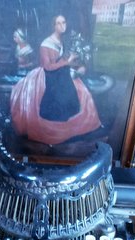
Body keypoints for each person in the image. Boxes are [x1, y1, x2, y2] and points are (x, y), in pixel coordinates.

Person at [10, 15, 101, 145]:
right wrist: (67, 62)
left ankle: (79, 129)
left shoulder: (63, 41)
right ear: (53, 26)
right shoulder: (46, 44)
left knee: (81, 90)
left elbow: (65, 62)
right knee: (59, 95)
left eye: (63, 22)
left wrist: (79, 66)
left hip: (61, 72)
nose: (62, 26)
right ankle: (56, 132)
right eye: (58, 23)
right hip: (48, 75)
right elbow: (48, 67)